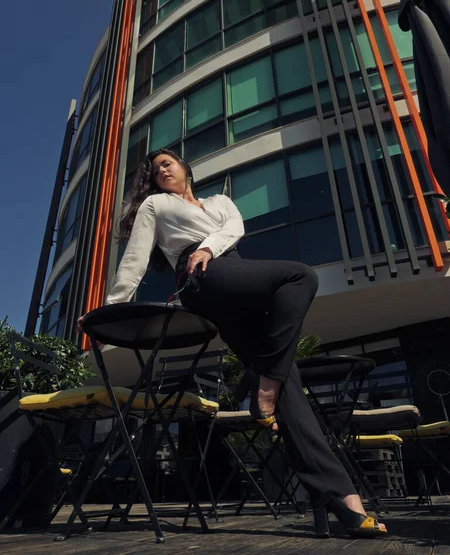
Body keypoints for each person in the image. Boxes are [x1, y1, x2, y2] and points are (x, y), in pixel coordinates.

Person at [78, 148, 387, 539]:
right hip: (202, 279)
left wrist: (210, 246)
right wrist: (113, 309)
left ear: (186, 168)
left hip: (229, 266)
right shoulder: (156, 205)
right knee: (301, 277)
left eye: (168, 162)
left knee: (292, 395)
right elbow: (135, 257)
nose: (163, 170)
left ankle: (341, 499)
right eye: (156, 170)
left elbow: (235, 227)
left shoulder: (219, 201)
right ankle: (265, 383)